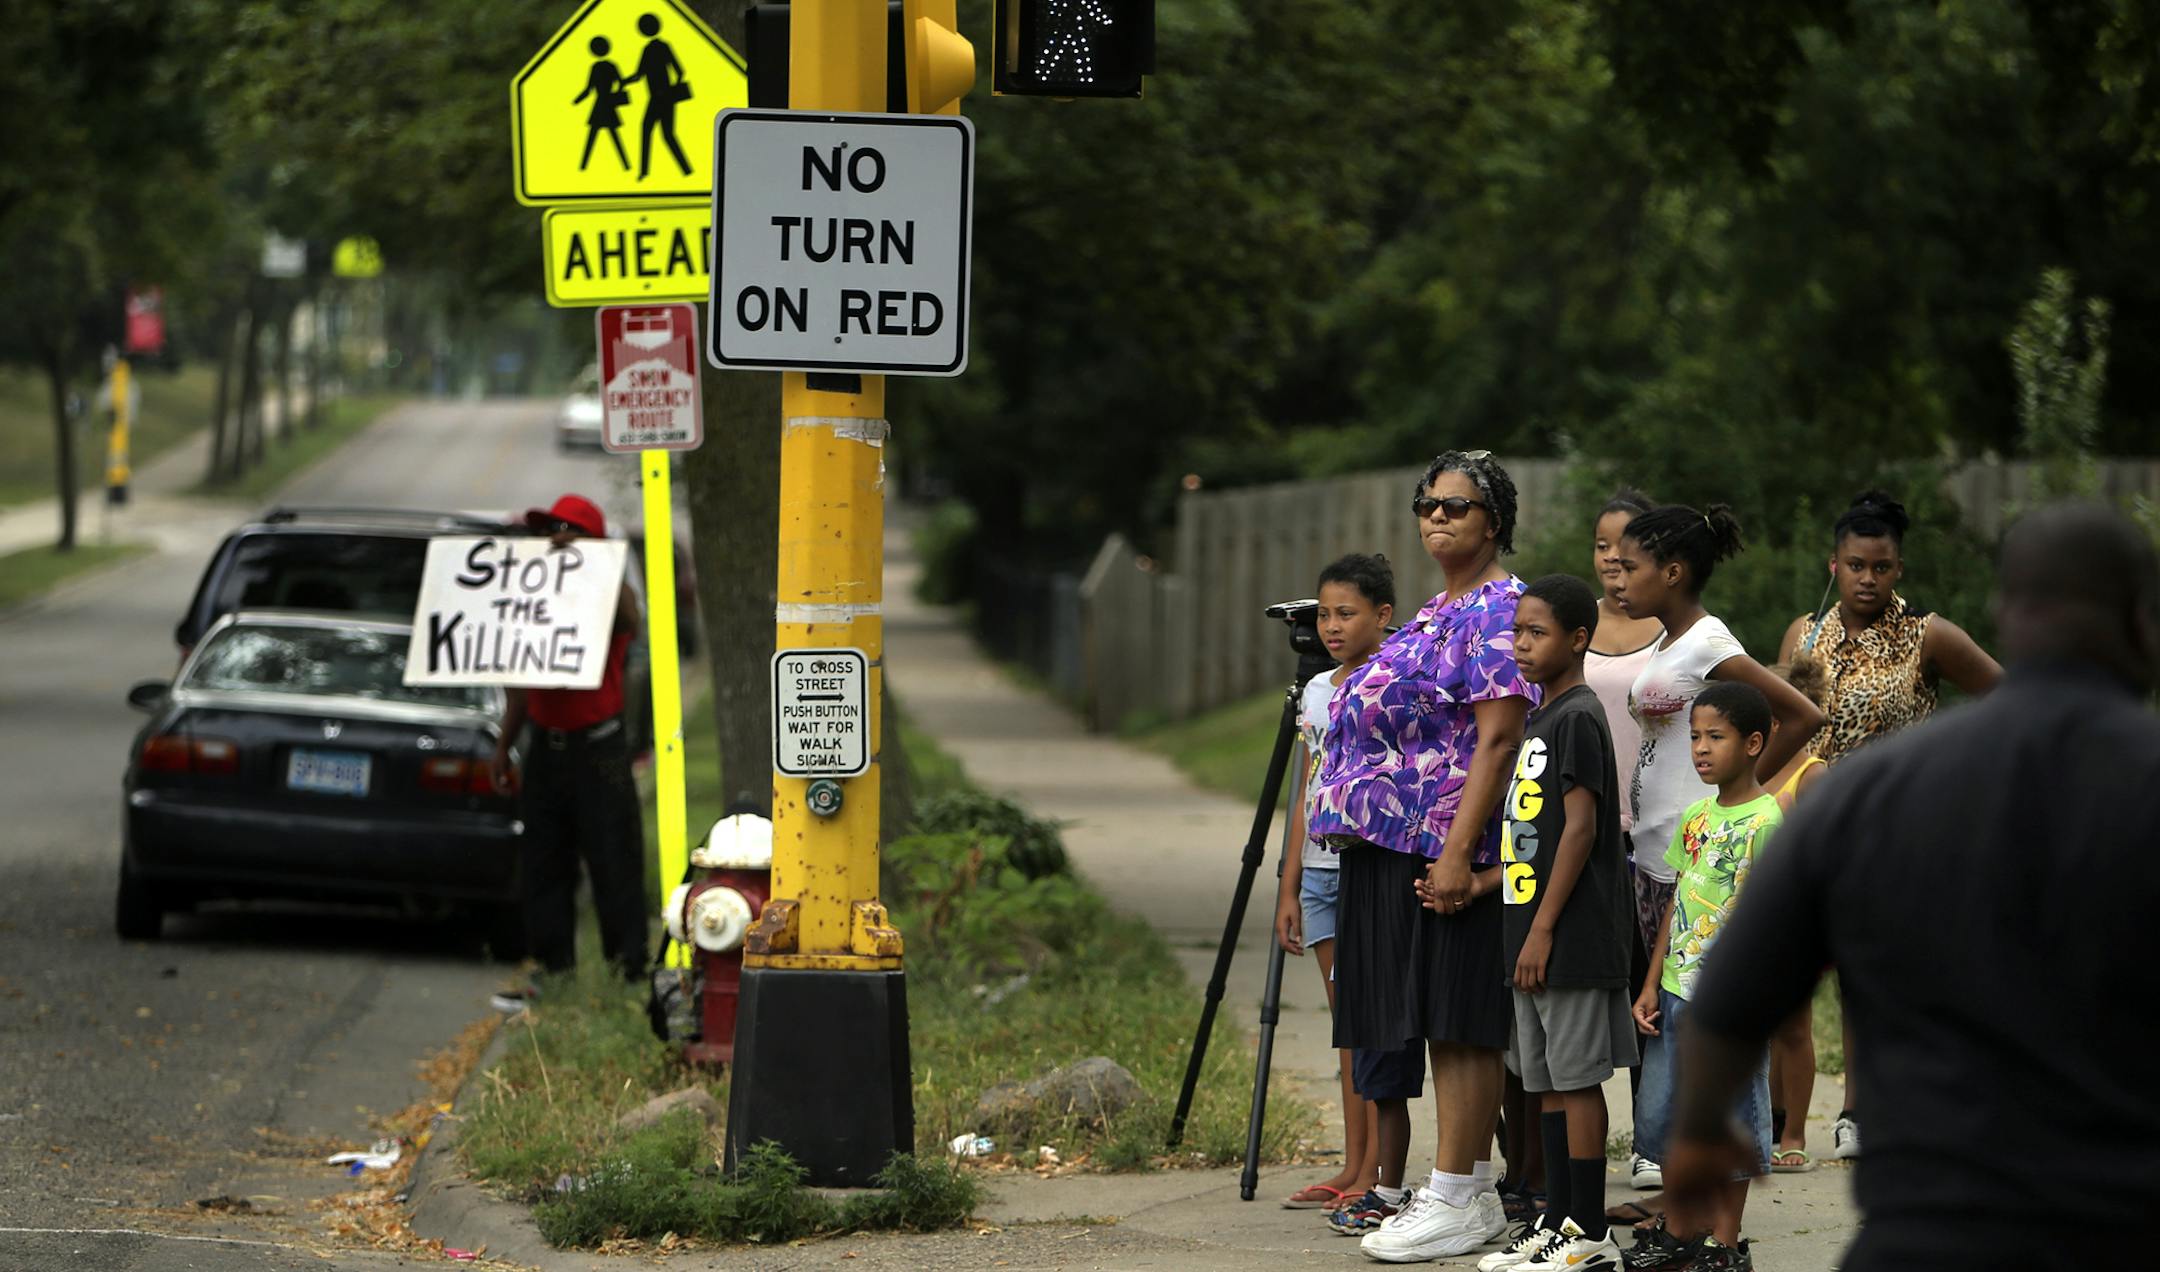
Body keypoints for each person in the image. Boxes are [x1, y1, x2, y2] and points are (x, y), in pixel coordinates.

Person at [1660, 503, 2160, 1271]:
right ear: (2143, 621)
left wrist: (1698, 1134)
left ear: (2005, 613)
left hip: (1933, 1224)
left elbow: (1733, 990)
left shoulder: (1870, 793)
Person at [1308, 450, 1532, 1260]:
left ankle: (1460, 1196)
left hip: (1439, 849)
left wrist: (1458, 852)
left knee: (1461, 1024)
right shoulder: (1441, 608)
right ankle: (1456, 1193)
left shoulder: (1500, 610)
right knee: (1427, 1021)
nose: (1439, 518)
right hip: (1386, 848)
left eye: (1458, 507)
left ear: (1493, 521)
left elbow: (1500, 735)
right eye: (1429, 505)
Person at [1772, 490, 2002, 1161]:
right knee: (1790, 971)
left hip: (1895, 830)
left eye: (1881, 567)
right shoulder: (1801, 634)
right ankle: (1781, 1120)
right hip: (1807, 823)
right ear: (1833, 566)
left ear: (1898, 570)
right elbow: (1782, 723)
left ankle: (1861, 1112)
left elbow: (2012, 700)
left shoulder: (1929, 636)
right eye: (1855, 565)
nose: (1867, 578)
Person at [1611, 503, 1824, 1193]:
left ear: (1672, 572)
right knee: (1667, 1022)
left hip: (1698, 863)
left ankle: (1708, 1199)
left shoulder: (1706, 642)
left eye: (1633, 564)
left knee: (1701, 1029)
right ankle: (1675, 1186)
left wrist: (1747, 791)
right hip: (1654, 855)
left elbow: (1800, 714)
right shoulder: (1668, 643)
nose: (1618, 572)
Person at [1476, 575, 1636, 1272]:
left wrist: (1542, 929)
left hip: (1568, 938)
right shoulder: (1542, 718)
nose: (1521, 644)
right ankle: (1556, 1219)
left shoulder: (1577, 717)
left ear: (1578, 639)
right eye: (1517, 632)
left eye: (1536, 632)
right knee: (1540, 1079)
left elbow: (1579, 830)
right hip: (1531, 934)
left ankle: (1590, 1232)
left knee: (1574, 1083)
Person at [1627, 681, 1782, 1272]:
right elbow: (1677, 902)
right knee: (1664, 1114)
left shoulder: (1767, 821)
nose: (1700, 748)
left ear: (1753, 743)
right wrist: (1649, 982)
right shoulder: (1696, 816)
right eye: (1695, 736)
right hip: (1675, 991)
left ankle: (1726, 1242)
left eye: (1715, 736)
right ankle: (1681, 1230)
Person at [1274, 553, 1396, 1213]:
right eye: (1324, 613)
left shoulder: (1396, 682)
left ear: (1382, 616)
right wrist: (1289, 885)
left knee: (1374, 1020)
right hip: (1319, 874)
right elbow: (1307, 790)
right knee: (1347, 1024)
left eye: (1345, 613)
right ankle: (1353, 1163)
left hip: (1370, 868)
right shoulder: (1318, 690)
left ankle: (1381, 1167)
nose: (1331, 626)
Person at [492, 494, 648, 986]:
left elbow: (631, 619)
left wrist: (594, 560)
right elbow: (520, 681)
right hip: (547, 748)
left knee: (613, 860)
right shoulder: (535, 601)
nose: (555, 537)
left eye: (567, 529)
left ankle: (628, 971)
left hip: (598, 750)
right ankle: (553, 969)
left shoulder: (608, 595)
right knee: (543, 862)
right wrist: (504, 745)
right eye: (548, 530)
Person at [1580, 488, 1665, 1197]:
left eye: (1626, 545)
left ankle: (1652, 1135)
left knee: (1653, 990)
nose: (1612, 557)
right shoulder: (1575, 625)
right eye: (1602, 544)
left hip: (1655, 836)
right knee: (1589, 988)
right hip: (1584, 837)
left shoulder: (1680, 630)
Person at [1762, 659, 1829, 1172]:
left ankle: (1794, 1132)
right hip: (1742, 912)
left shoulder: (1812, 773)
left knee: (1792, 1029)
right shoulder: (1749, 767)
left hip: (1793, 916)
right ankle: (1766, 1119)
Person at [625, 14, 693, 179]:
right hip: (663, 98)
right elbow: (679, 71)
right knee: (663, 133)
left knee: (654, 131)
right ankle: (684, 170)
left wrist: (625, 81)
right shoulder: (657, 48)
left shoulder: (652, 49)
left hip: (660, 98)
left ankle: (647, 171)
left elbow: (639, 75)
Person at [573, 36, 630, 171]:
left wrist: (577, 100)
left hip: (602, 104)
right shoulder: (608, 66)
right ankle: (625, 166)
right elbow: (621, 83)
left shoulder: (597, 67)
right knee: (602, 136)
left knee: (600, 136)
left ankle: (583, 166)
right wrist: (577, 100)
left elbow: (589, 89)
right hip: (606, 104)